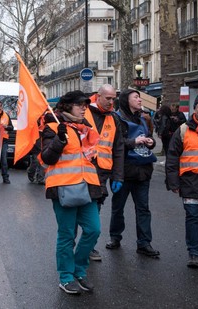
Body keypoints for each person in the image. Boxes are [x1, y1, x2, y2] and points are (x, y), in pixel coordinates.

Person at [40, 90, 102, 295]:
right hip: (63, 188)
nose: (84, 108)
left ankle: (78, 269)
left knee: (94, 230)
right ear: (67, 107)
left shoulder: (86, 129)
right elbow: (46, 158)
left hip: (88, 187)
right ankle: (66, 277)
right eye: (79, 105)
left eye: (85, 104)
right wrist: (60, 140)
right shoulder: (52, 127)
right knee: (67, 235)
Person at [106, 89, 160, 257]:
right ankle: (115, 237)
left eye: (139, 97)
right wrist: (133, 141)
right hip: (123, 171)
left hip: (142, 171)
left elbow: (149, 137)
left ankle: (144, 243)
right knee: (118, 207)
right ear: (125, 100)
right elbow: (114, 143)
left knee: (143, 208)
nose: (139, 99)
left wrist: (150, 142)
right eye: (135, 97)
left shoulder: (144, 118)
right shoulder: (116, 118)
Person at [84, 84, 125, 262]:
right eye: (108, 98)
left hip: (102, 173)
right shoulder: (84, 113)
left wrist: (118, 176)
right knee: (78, 208)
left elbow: (118, 149)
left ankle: (89, 246)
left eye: (113, 99)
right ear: (98, 96)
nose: (111, 102)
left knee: (95, 209)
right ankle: (75, 245)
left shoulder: (114, 118)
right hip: (82, 169)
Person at [165, 94, 198, 268]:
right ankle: (194, 253)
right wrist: (173, 183)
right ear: (194, 109)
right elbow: (172, 157)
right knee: (193, 217)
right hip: (190, 181)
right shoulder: (183, 130)